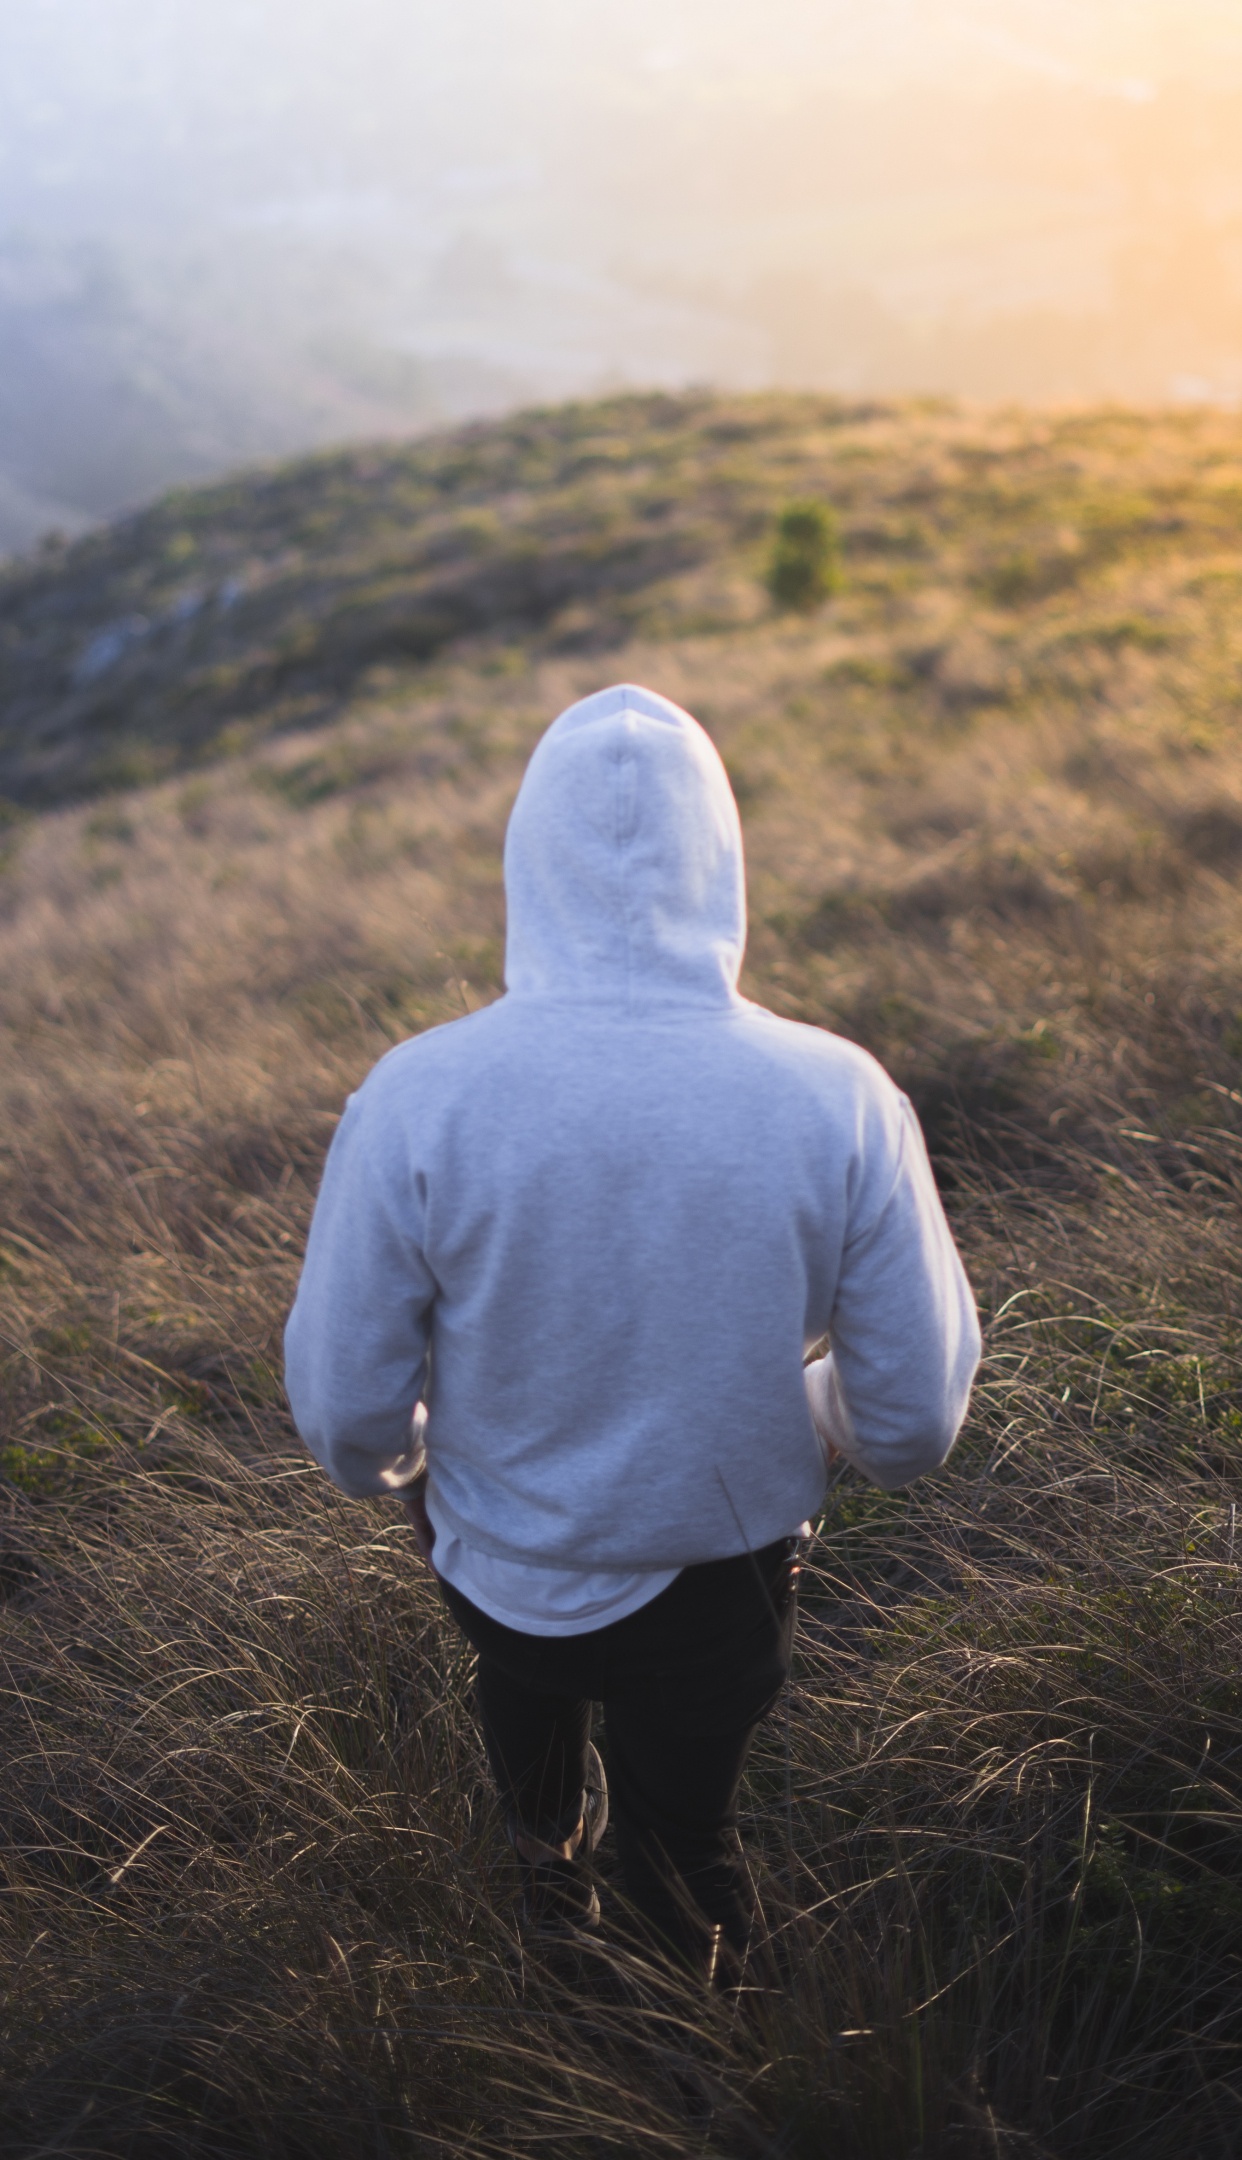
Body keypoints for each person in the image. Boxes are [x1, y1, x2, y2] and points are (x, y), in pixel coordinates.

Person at [284, 684, 980, 1980]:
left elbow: (341, 1412)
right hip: (718, 1584)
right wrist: (816, 1419)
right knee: (687, 1847)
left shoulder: (417, 1099)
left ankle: (542, 1861)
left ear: (523, 864)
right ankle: (678, 2073)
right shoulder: (835, 1097)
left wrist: (424, 1463)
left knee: (529, 1680)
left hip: (490, 1563)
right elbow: (918, 1417)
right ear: (721, 861)